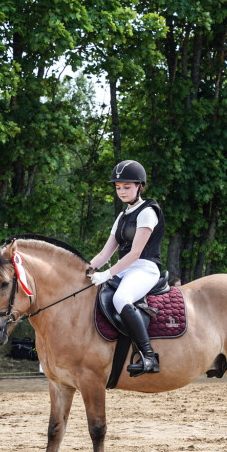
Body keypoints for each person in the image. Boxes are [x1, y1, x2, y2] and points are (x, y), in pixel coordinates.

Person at [87, 160, 164, 376]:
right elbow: (104, 254)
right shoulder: (122, 216)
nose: (121, 191)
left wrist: (107, 274)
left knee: (121, 299)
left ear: (140, 186)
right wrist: (86, 270)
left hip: (145, 268)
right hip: (124, 268)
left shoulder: (148, 211)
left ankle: (149, 356)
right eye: (118, 187)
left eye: (127, 187)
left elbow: (135, 253)